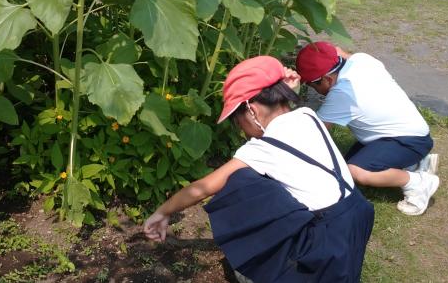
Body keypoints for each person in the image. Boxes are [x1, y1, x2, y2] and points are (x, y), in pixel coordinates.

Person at [143, 56, 374, 282]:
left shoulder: (263, 149)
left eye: (237, 120)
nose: (241, 129)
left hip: (323, 240)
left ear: (251, 111)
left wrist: (162, 212)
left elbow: (201, 189)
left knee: (239, 180)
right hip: (356, 215)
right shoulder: (307, 115)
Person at [296, 41, 439, 216]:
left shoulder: (342, 93)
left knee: (356, 171)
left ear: (326, 79)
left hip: (409, 141)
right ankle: (414, 163)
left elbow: (314, 134)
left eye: (312, 85)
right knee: (345, 164)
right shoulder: (362, 60)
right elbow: (340, 51)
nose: (316, 92)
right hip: (413, 132)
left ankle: (418, 183)